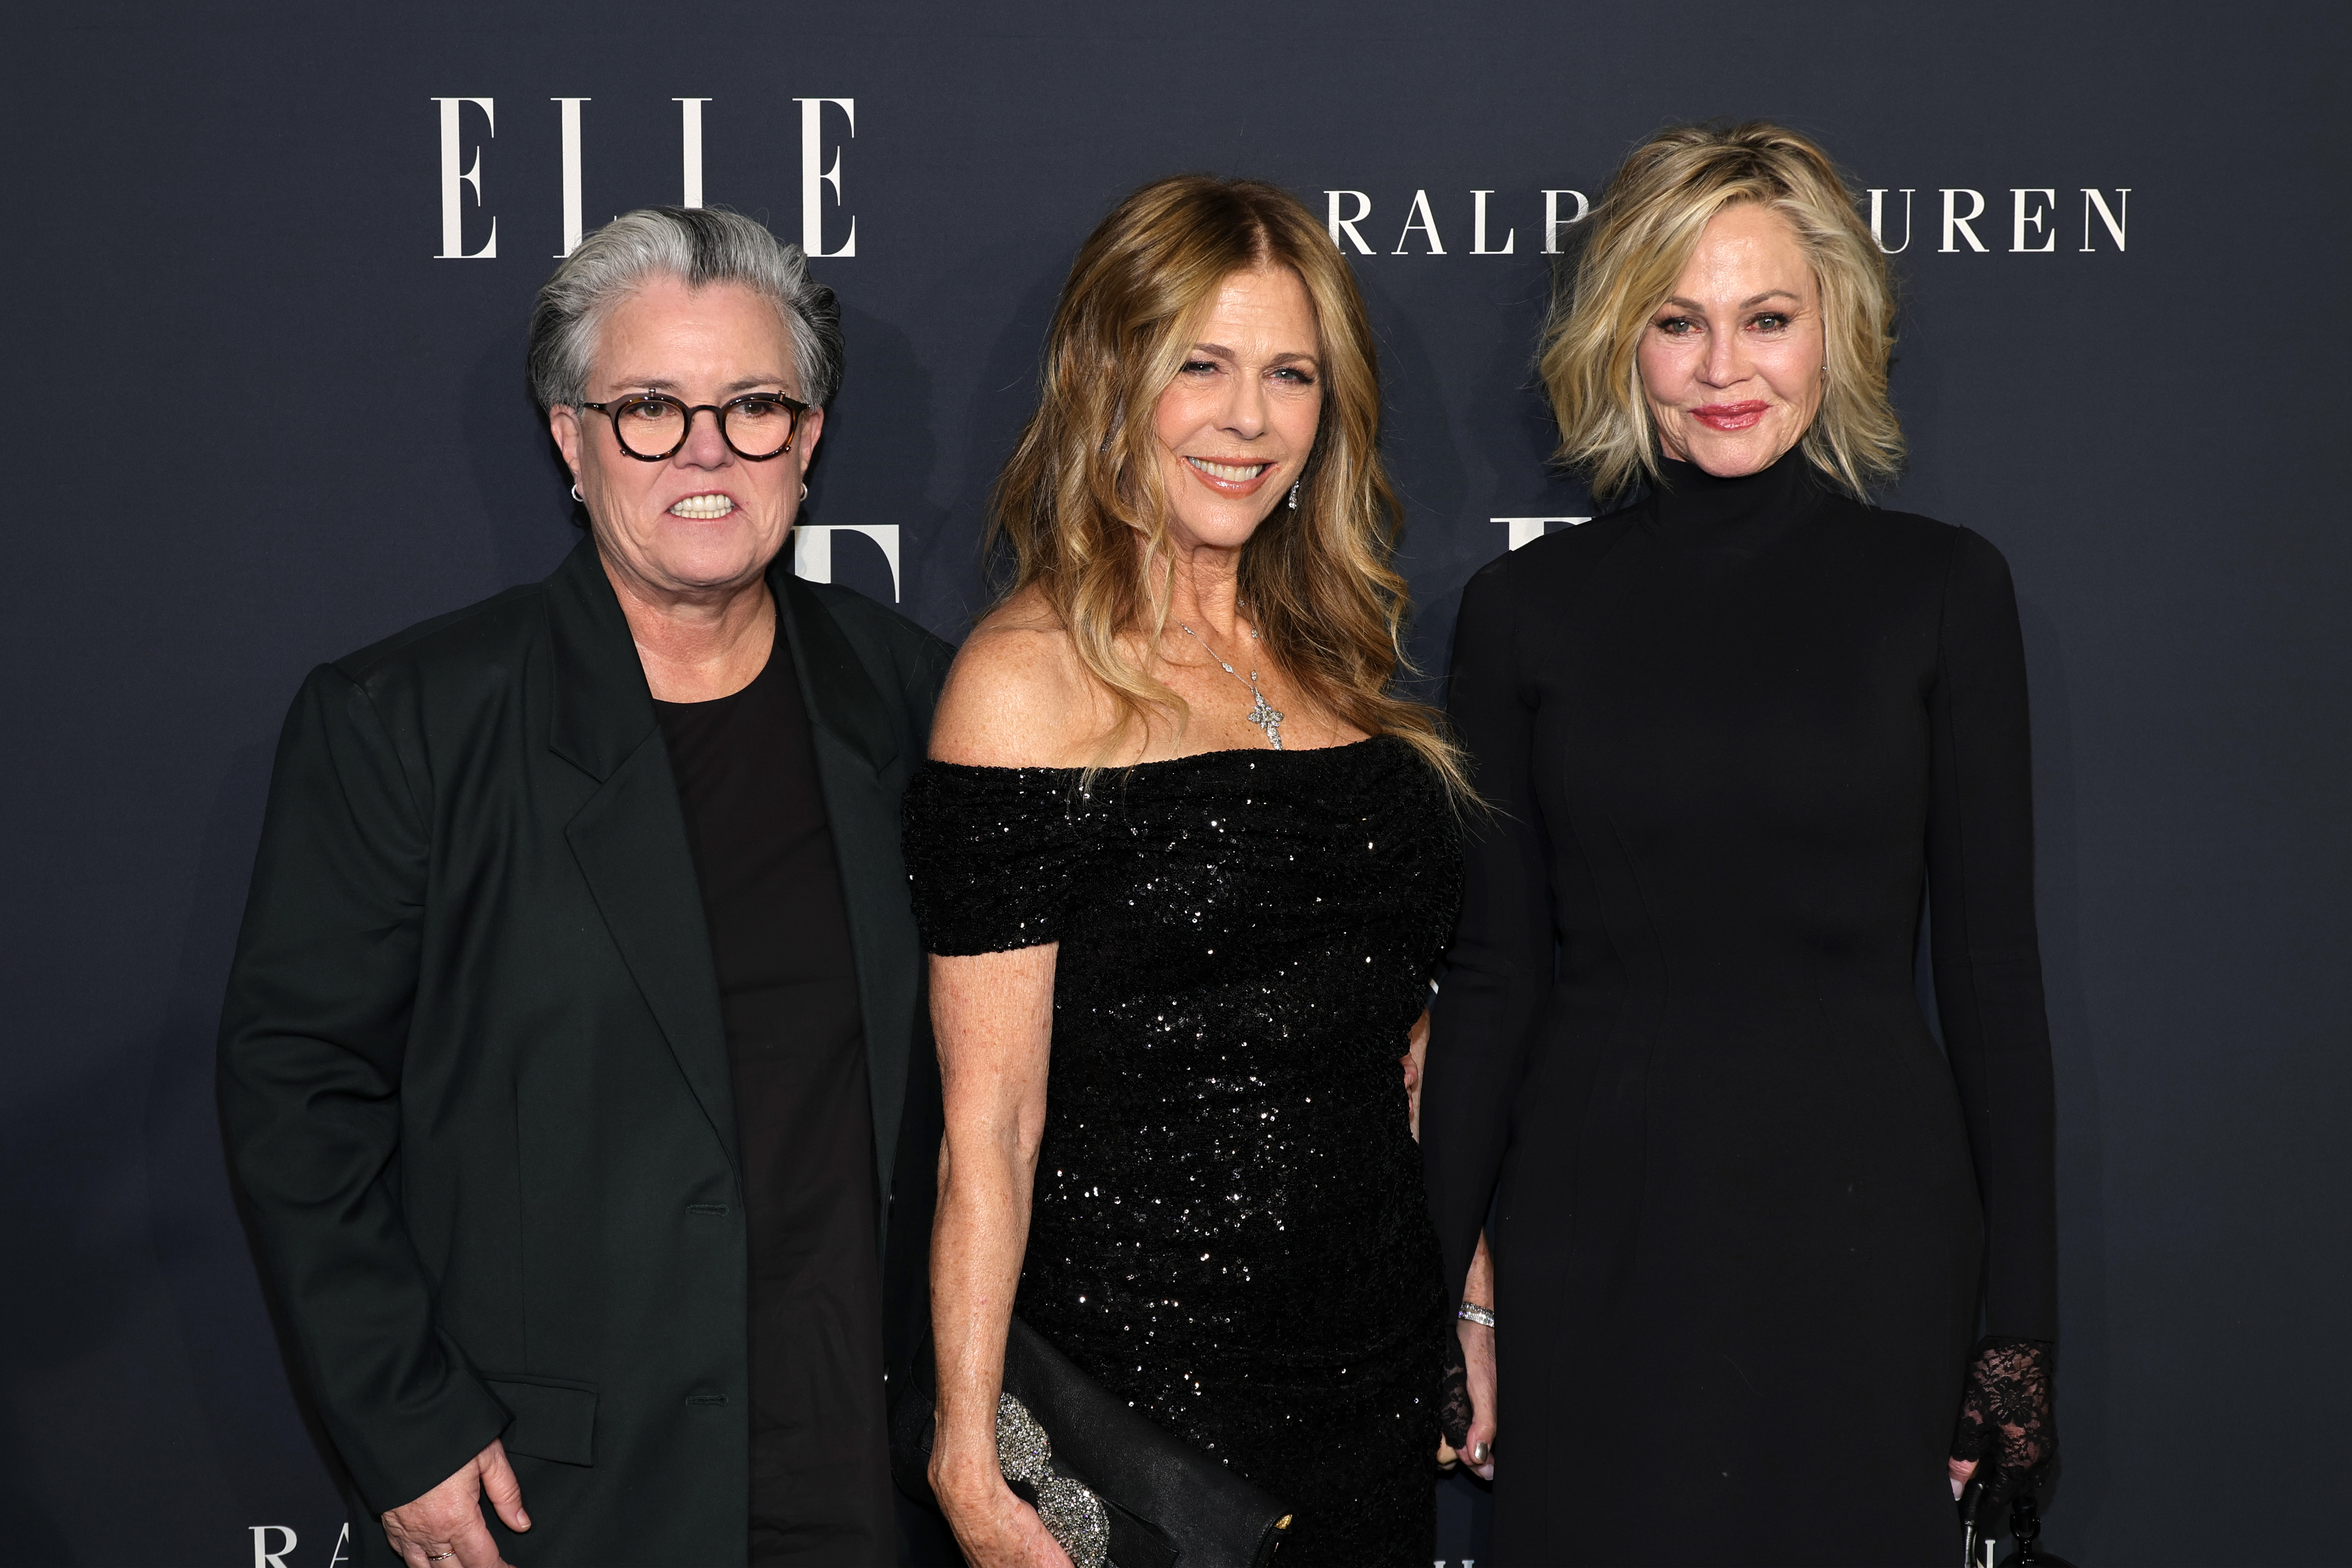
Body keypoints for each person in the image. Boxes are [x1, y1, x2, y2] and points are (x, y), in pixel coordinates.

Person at [218, 207, 953, 1568]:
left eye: (752, 406)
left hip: (871, 1477)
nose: (707, 454)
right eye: (650, 411)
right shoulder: (407, 721)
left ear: (810, 435)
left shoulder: (923, 703)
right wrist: (408, 1423)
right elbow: (296, 1089)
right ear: (570, 438)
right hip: (555, 1493)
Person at [1422, 122, 2061, 1565]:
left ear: (1834, 327)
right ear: (1619, 342)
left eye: (1768, 320)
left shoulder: (1945, 592)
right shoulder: (1526, 614)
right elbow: (1494, 974)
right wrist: (1441, 1292)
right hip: (1602, 1243)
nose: (1724, 370)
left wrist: (2017, 1335)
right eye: (1678, 323)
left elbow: (1995, 983)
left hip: (1869, 1250)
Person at [900, 175, 1467, 1568]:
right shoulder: (1022, 685)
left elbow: (1401, 1052)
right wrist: (970, 1452)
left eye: (1290, 374)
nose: (1249, 419)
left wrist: (1475, 1304)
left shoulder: (1341, 665)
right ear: (1110, 379)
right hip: (1148, 1408)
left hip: (1376, 1377)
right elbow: (993, 1123)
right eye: (1199, 367)